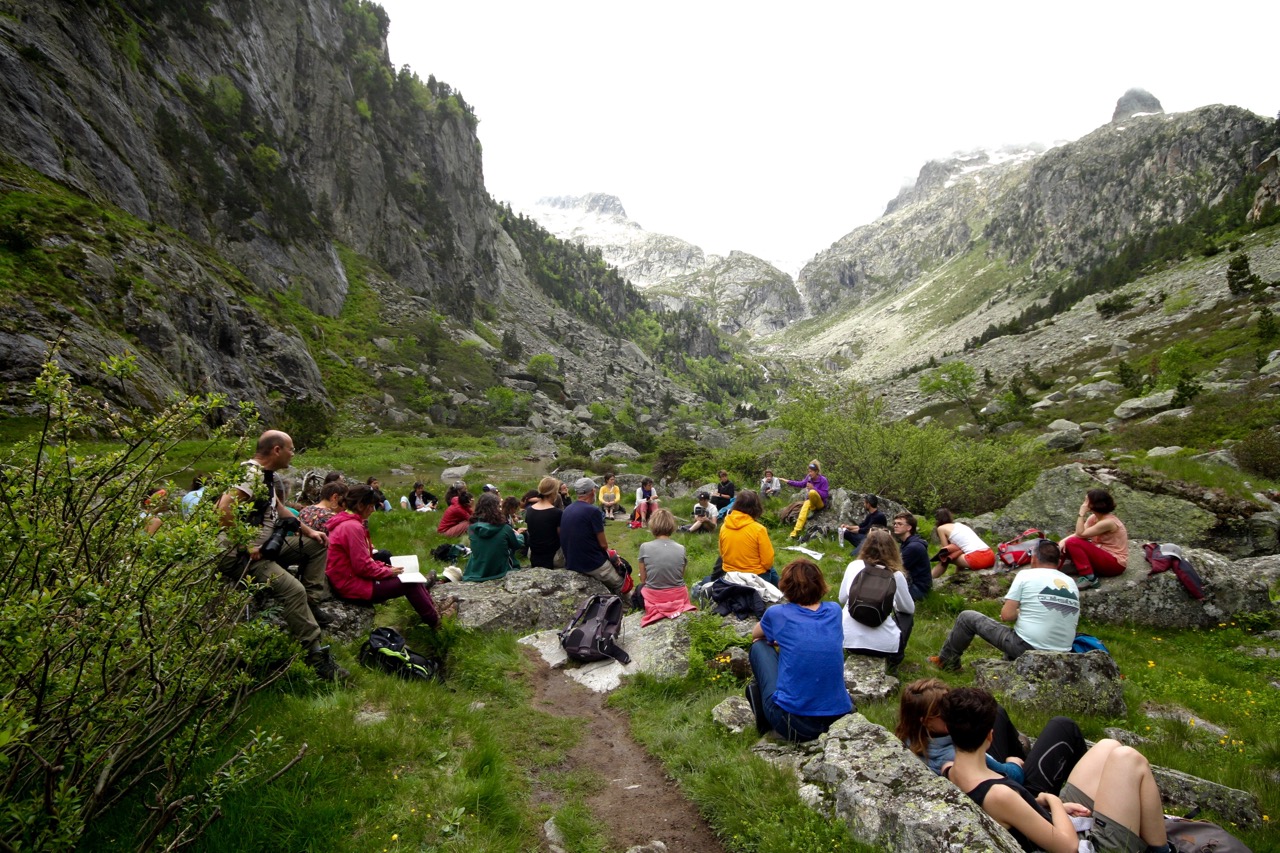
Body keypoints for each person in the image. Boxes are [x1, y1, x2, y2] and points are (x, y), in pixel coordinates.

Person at [940, 687, 1172, 853]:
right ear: (990, 736)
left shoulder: (949, 770)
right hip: (1081, 845)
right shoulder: (999, 794)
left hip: (1051, 823)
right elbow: (1068, 847)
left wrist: (1044, 806)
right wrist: (1053, 801)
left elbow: (1012, 813)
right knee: (1129, 758)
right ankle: (1162, 850)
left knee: (1107, 747)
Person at [216, 430, 345, 681]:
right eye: (291, 449)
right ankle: (315, 656)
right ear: (277, 450)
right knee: (292, 590)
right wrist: (246, 545)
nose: (293, 453)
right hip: (241, 555)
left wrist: (309, 531)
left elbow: (280, 508)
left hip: (265, 546)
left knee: (317, 545)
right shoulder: (249, 475)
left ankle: (311, 603)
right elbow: (223, 511)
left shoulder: (264, 476)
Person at [897, 678, 1086, 798]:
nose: (952, 711)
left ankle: (1021, 750)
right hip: (1018, 794)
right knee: (1064, 727)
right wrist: (1014, 763)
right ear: (926, 720)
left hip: (990, 785)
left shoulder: (910, 739)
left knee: (995, 714)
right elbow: (1011, 776)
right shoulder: (953, 755)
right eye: (944, 711)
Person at [930, 540, 1080, 671]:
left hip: (1028, 648)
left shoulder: (1026, 575)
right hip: (1064, 651)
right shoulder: (1070, 582)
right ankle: (1010, 662)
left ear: (1033, 558)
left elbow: (1007, 616)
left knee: (966, 617)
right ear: (1057, 561)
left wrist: (1020, 612)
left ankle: (947, 662)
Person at [745, 559, 852, 742]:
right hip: (838, 717)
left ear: (786, 586)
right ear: (820, 583)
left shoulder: (777, 613)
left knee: (758, 646)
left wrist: (779, 638)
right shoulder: (834, 610)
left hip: (794, 723)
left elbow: (756, 633)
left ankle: (764, 715)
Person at [325, 484, 440, 626]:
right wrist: (387, 571)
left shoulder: (346, 522)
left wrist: (385, 567)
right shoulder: (352, 527)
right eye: (372, 506)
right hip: (352, 585)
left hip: (347, 580)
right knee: (410, 583)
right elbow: (362, 567)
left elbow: (362, 561)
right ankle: (436, 623)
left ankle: (433, 611)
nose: (373, 510)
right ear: (361, 505)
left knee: (409, 576)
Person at [837, 529, 915, 674]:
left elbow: (842, 598)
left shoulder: (854, 566)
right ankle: (895, 660)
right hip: (883, 646)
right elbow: (909, 609)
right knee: (907, 617)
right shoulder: (896, 575)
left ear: (865, 546)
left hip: (847, 641)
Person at [560, 478, 625, 593]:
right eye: (594, 489)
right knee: (621, 582)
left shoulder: (567, 509)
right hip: (591, 563)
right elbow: (603, 545)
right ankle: (628, 608)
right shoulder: (593, 511)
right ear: (591, 491)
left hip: (571, 561)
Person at [1059, 488, 1128, 591]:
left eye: (1086, 501)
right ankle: (1056, 568)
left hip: (1115, 564)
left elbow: (1080, 534)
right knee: (1066, 544)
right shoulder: (1094, 518)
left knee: (1072, 543)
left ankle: (1090, 578)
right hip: (1101, 556)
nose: (1084, 504)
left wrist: (1081, 513)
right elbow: (1078, 535)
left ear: (1095, 504)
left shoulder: (1108, 522)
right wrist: (1061, 542)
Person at [637, 508, 696, 626]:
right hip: (678, 596)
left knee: (639, 588)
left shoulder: (644, 547)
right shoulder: (681, 548)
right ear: (672, 526)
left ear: (652, 525)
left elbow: (643, 579)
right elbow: (680, 575)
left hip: (655, 595)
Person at [719, 489, 777, 586]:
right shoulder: (759, 529)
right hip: (755, 576)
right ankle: (782, 595)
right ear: (756, 507)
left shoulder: (724, 526)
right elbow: (767, 562)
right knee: (772, 571)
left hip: (730, 574)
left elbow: (722, 553)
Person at [464, 493, 525, 582]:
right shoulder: (505, 528)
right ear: (496, 509)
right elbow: (517, 545)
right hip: (501, 571)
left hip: (476, 572)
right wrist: (520, 536)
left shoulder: (472, 528)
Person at [930, 508, 996, 577]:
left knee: (946, 558)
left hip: (978, 558)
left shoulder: (941, 528)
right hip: (990, 555)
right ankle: (957, 575)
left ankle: (930, 579)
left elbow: (945, 550)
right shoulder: (960, 525)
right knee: (959, 553)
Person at [525, 477, 564, 569]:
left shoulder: (530, 510)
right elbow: (561, 536)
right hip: (552, 557)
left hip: (533, 555)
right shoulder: (557, 513)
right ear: (554, 493)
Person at [784, 460, 829, 539]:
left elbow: (825, 495)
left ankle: (812, 509)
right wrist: (788, 481)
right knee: (803, 511)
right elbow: (801, 484)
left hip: (820, 503)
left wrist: (814, 488)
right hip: (810, 502)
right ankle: (794, 533)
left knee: (812, 492)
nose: (810, 473)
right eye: (809, 471)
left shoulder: (823, 480)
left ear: (816, 471)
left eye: (811, 471)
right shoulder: (808, 478)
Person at [893, 511, 932, 601]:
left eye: (899, 524)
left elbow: (895, 567)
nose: (895, 525)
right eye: (895, 523)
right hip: (910, 583)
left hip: (918, 589)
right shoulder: (906, 544)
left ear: (909, 527)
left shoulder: (913, 547)